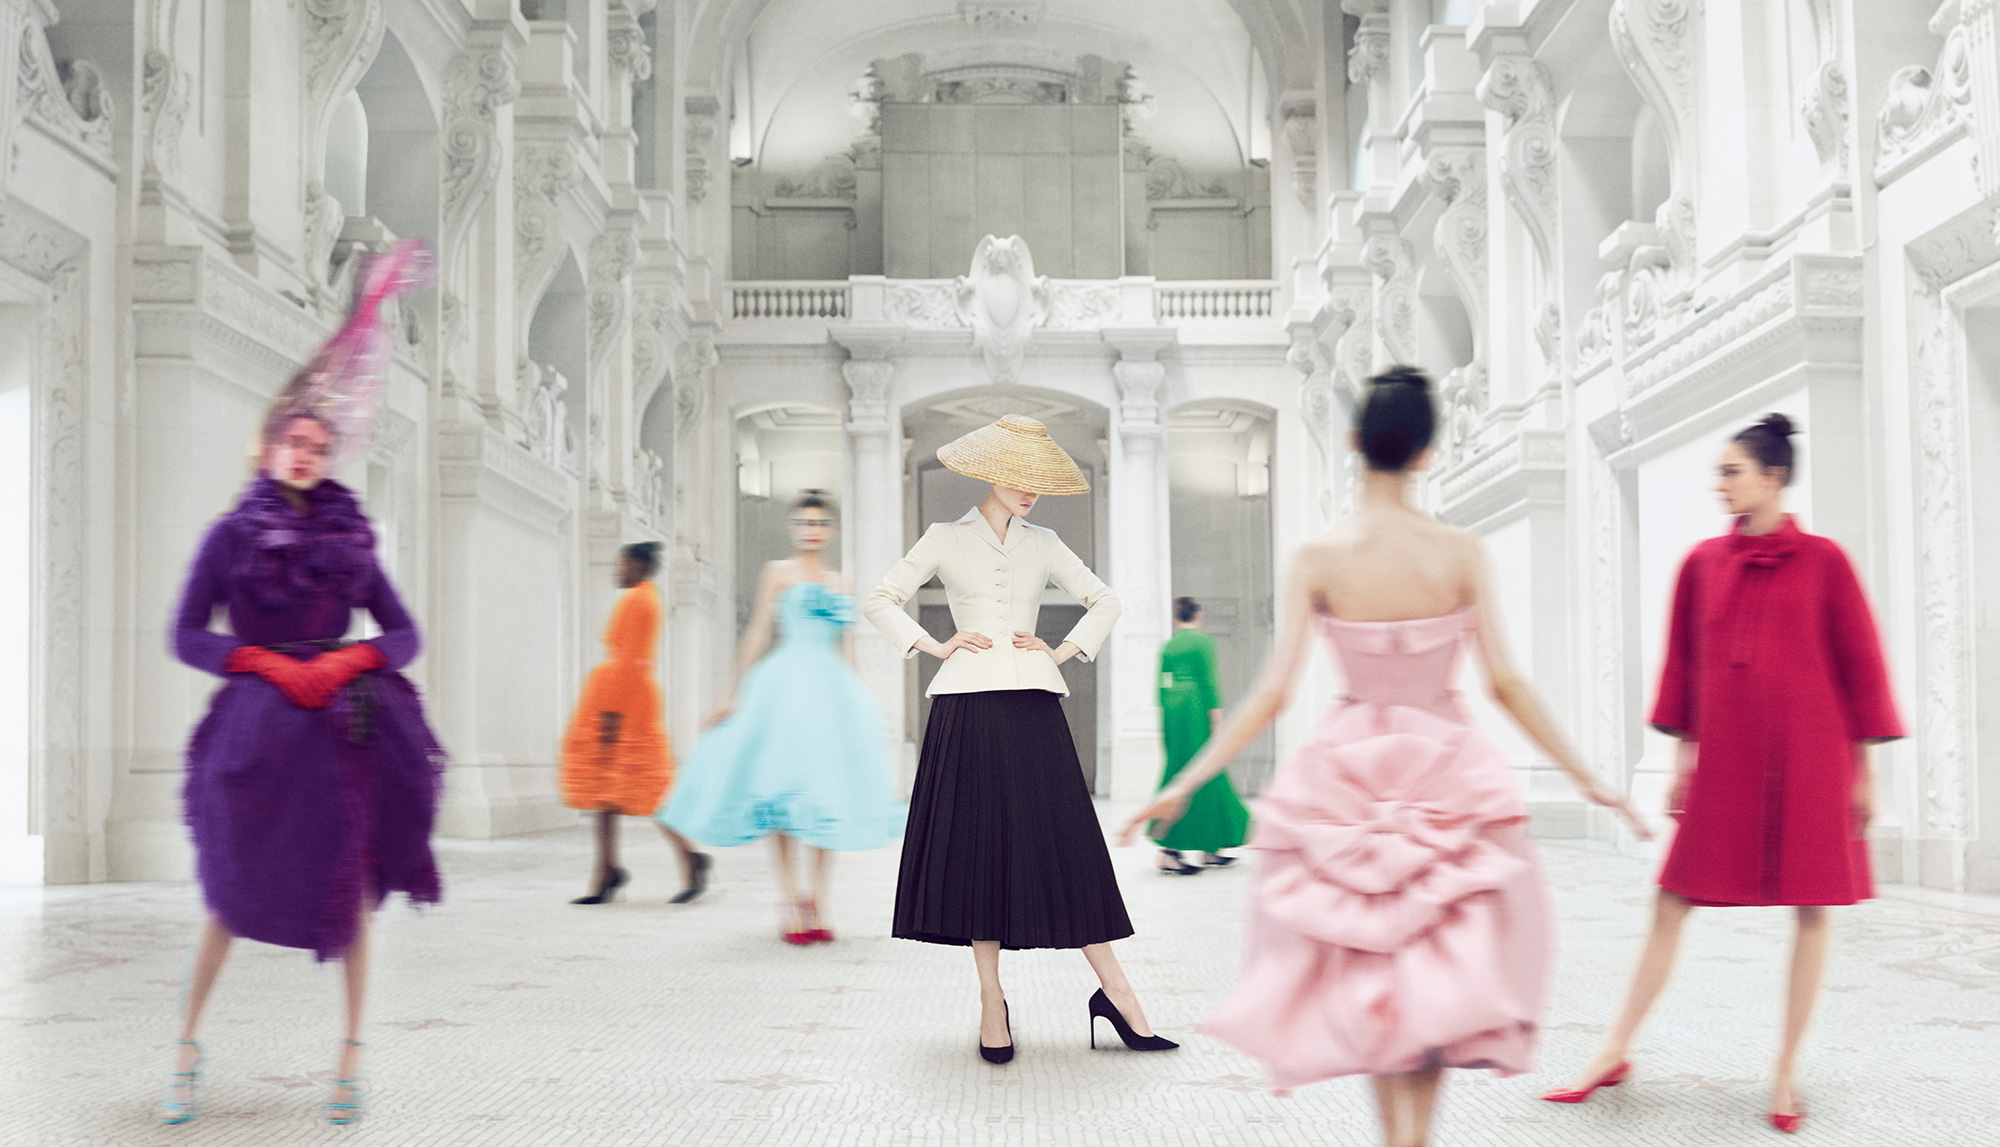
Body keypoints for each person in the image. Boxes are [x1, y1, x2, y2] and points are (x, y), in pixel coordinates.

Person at [1121, 368, 1648, 1147]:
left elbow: (1270, 693)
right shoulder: (1460, 553)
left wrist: (1185, 782)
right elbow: (1505, 683)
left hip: (1350, 776)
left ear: (1353, 443)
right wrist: (1592, 777)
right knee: (1431, 972)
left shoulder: (1321, 557)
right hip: (1446, 771)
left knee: (1377, 965)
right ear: (1428, 453)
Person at [1543, 414, 1901, 1135]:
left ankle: (1785, 1071)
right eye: (1719, 471)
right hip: (1727, 764)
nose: (1721, 483)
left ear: (1774, 476)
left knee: (1811, 908)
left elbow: (1858, 665)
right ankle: (1611, 1050)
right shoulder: (1700, 564)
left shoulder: (1827, 561)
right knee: (1672, 901)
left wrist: (1862, 772)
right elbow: (1684, 665)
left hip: (1811, 758)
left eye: (1733, 470)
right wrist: (1682, 756)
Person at [160, 240, 442, 1127]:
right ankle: (185, 1047)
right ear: (273, 442)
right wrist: (262, 660)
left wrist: (349, 657)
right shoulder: (227, 536)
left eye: (320, 444)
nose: (306, 452)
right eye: (295, 439)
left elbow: (404, 633)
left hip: (340, 735)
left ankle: (350, 1057)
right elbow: (182, 633)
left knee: (347, 893)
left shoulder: (352, 539)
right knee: (227, 895)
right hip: (253, 734)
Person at [865, 415, 1175, 1065]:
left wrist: (1063, 650)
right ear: (991, 473)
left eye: (1039, 479)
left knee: (1069, 846)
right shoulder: (945, 538)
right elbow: (881, 597)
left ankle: (1117, 991)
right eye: (1019, 477)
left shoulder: (1046, 541)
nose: (1031, 490)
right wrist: (934, 644)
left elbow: (1106, 599)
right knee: (981, 852)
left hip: (1034, 704)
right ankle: (990, 1000)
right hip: (964, 707)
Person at [655, 491, 901, 942]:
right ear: (793, 528)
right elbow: (757, 632)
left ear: (833, 530)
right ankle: (790, 899)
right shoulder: (778, 573)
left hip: (829, 690)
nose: (812, 530)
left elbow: (846, 647)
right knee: (782, 797)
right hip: (783, 686)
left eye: (820, 523)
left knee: (828, 795)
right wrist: (730, 694)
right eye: (804, 523)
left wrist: (862, 701)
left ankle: (819, 901)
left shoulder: (842, 582)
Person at [560, 541, 709, 905]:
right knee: (606, 791)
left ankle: (687, 856)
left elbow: (628, 661)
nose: (617, 571)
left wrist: (611, 712)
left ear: (640, 567)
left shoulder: (637, 600)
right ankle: (609, 868)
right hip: (628, 697)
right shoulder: (647, 598)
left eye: (623, 564)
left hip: (622, 703)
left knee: (644, 786)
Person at [1150, 597, 1249, 875]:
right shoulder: (1204, 643)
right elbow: (1210, 682)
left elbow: (1160, 686)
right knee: (1205, 770)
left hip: (1172, 709)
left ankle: (1207, 848)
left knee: (1182, 770)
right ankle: (1172, 851)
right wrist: (1218, 722)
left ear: (1175, 618)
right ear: (1198, 615)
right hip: (1194, 708)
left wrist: (1167, 721)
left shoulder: (1167, 646)